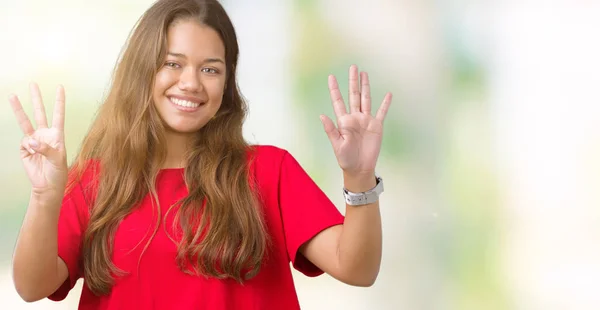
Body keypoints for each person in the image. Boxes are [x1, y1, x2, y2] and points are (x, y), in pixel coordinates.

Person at [9, 0, 392, 309]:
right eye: (173, 64)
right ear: (143, 71)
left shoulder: (269, 172)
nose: (190, 83)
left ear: (227, 83)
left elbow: (356, 268)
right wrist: (44, 197)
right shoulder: (94, 182)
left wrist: (359, 176)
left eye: (210, 69)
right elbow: (32, 287)